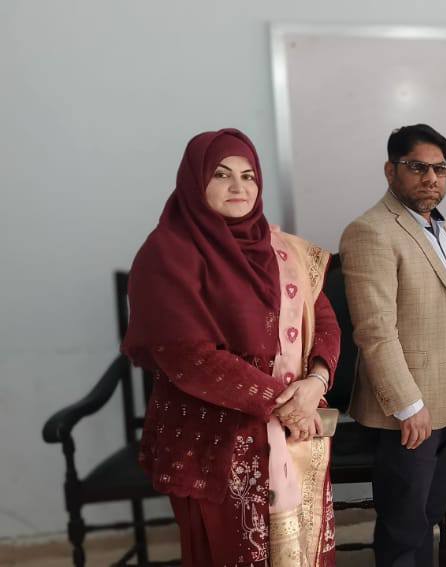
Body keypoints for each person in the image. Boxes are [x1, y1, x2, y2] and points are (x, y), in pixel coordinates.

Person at [123, 128, 340, 566]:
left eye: (248, 176)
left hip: (295, 433)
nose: (238, 187)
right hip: (215, 442)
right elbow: (188, 355)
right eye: (221, 175)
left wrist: (316, 383)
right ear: (195, 181)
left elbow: (325, 321)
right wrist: (286, 404)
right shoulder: (168, 253)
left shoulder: (286, 252)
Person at [340, 124, 446, 567]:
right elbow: (375, 330)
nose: (431, 178)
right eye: (418, 167)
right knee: (404, 526)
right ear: (391, 170)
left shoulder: (439, 224)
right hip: (409, 411)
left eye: (440, 169)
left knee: (426, 515)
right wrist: (408, 405)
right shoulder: (371, 231)